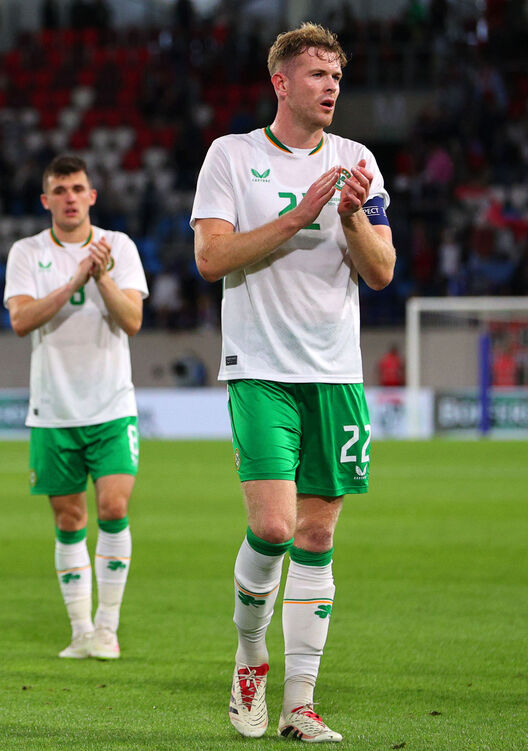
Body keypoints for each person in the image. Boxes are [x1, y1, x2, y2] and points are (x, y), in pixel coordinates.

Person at [190, 23, 396, 743]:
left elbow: (381, 271)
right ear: (281, 82)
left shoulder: (358, 160)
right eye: (317, 74)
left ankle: (300, 703)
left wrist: (348, 218)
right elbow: (212, 258)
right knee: (273, 526)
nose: (332, 85)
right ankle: (251, 659)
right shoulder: (232, 156)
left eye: (337, 74)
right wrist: (297, 215)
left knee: (317, 531)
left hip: (335, 372)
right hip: (261, 369)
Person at [2, 154, 149, 662]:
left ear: (92, 196)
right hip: (54, 411)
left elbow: (132, 321)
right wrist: (72, 283)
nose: (69, 197)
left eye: (77, 188)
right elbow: (21, 321)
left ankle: (107, 628)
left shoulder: (120, 247)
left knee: (113, 507)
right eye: (59, 190)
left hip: (111, 405)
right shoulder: (26, 253)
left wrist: (101, 276)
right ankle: (81, 629)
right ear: (46, 200)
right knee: (68, 521)